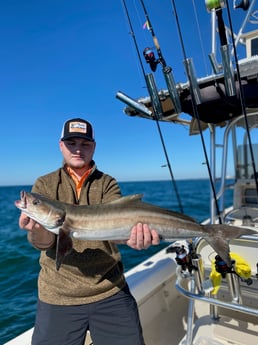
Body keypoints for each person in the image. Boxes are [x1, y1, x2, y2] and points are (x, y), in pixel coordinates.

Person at [19, 117, 160, 345]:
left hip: (109, 289)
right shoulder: (44, 185)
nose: (77, 149)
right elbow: (44, 243)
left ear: (93, 146)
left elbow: (118, 228)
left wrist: (135, 239)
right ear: (61, 145)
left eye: (85, 144)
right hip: (58, 295)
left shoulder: (107, 183)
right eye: (71, 143)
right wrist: (36, 229)